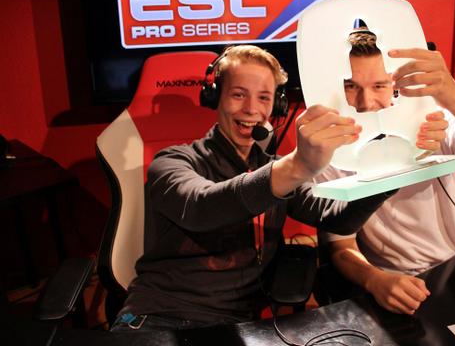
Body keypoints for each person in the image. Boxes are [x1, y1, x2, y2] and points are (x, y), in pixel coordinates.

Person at [111, 45, 403, 332]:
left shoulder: (275, 170)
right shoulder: (173, 162)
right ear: (216, 97)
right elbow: (201, 208)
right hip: (160, 316)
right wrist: (297, 166)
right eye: (238, 94)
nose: (251, 109)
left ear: (276, 105)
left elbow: (337, 217)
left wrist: (389, 175)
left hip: (240, 326)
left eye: (263, 97)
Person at [318, 28, 455, 316]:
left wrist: (450, 92)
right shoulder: (328, 150)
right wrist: (375, 280)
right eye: (352, 86)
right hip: (405, 281)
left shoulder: (429, 122)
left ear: (395, 85)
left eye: (379, 86)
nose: (366, 103)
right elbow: (341, 247)